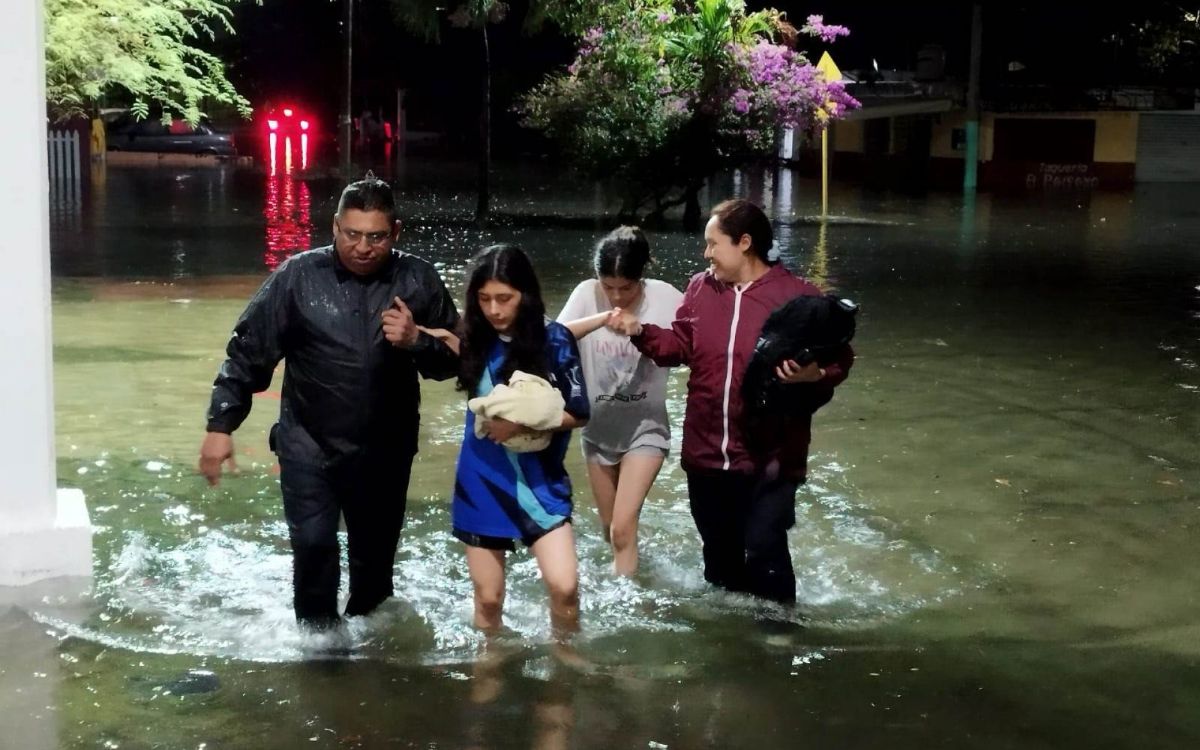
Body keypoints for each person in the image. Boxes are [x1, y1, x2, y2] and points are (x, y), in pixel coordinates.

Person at [199, 176, 460, 630]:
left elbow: (458, 359)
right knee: (314, 550)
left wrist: (418, 340)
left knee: (374, 572)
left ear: (395, 232)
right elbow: (248, 352)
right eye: (352, 234)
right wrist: (221, 426)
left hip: (385, 450)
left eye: (376, 237)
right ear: (334, 227)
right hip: (308, 447)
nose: (363, 246)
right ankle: (319, 660)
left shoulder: (417, 279)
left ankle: (374, 665)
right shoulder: (297, 277)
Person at [606, 199, 853, 605]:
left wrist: (817, 375)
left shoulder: (798, 297)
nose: (706, 254)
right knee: (719, 558)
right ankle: (729, 646)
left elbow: (840, 357)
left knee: (763, 547)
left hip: (771, 455)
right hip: (706, 452)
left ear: (744, 242)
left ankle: (779, 635)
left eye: (712, 243)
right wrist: (639, 331)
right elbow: (680, 345)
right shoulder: (701, 289)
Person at [450, 244, 590, 637]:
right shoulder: (473, 335)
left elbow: (580, 411)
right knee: (489, 600)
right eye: (484, 299)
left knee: (565, 588)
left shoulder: (556, 340)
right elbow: (434, 344)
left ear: (525, 295)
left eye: (504, 299)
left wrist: (519, 424)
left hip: (540, 482)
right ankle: (489, 669)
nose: (494, 309)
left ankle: (564, 665)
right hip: (480, 480)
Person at [556, 227, 683, 576]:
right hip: (597, 432)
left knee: (622, 529)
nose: (615, 297)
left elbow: (693, 345)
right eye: (607, 286)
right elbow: (554, 341)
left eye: (625, 288)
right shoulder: (585, 294)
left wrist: (640, 328)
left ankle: (630, 608)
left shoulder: (667, 298)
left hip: (646, 430)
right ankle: (635, 571)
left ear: (642, 276)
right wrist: (599, 320)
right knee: (609, 529)